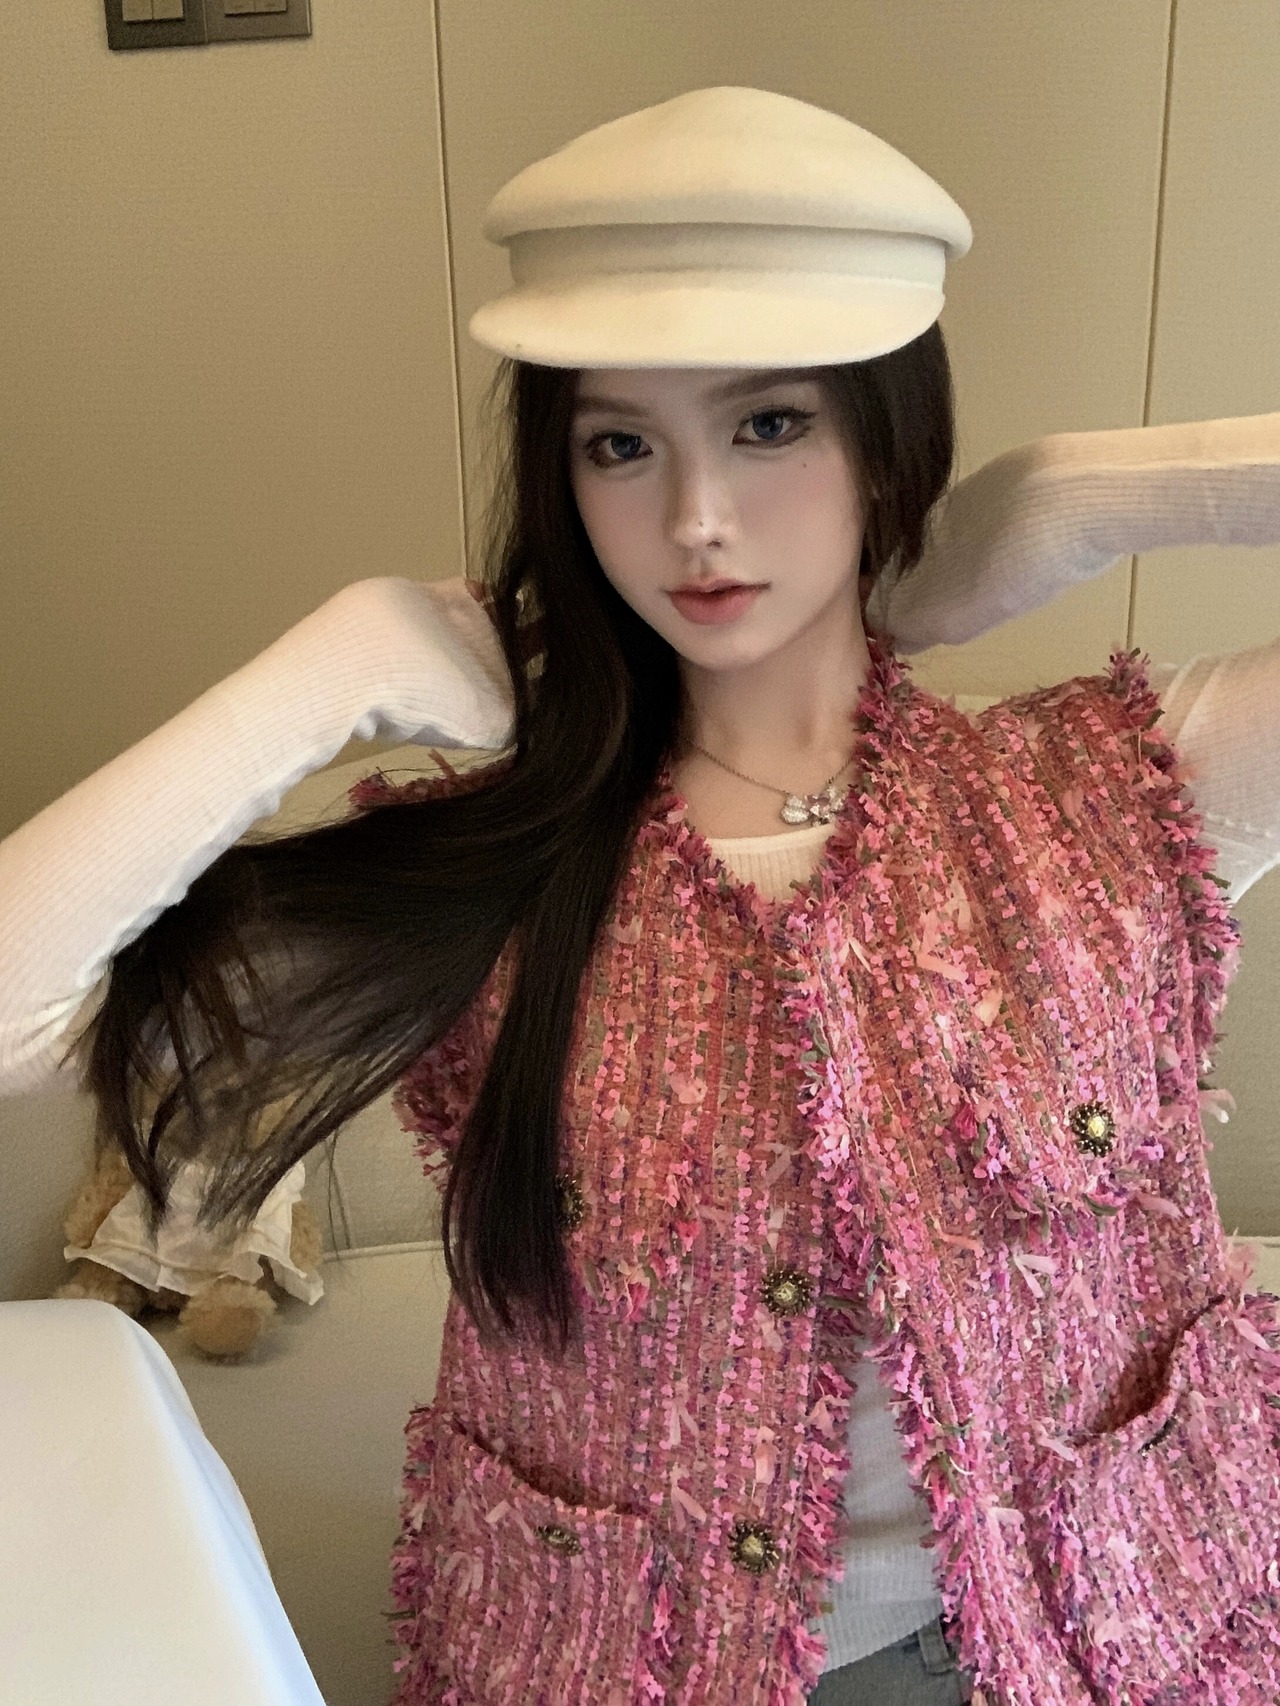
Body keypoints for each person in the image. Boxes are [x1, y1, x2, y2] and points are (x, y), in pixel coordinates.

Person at [4, 84, 1280, 1706]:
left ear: (886, 435)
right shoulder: (481, 869)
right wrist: (324, 676)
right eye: (621, 443)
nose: (695, 518)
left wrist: (1089, 499)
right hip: (631, 1666)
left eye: (771, 425)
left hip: (1120, 1642)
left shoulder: (1114, 789)